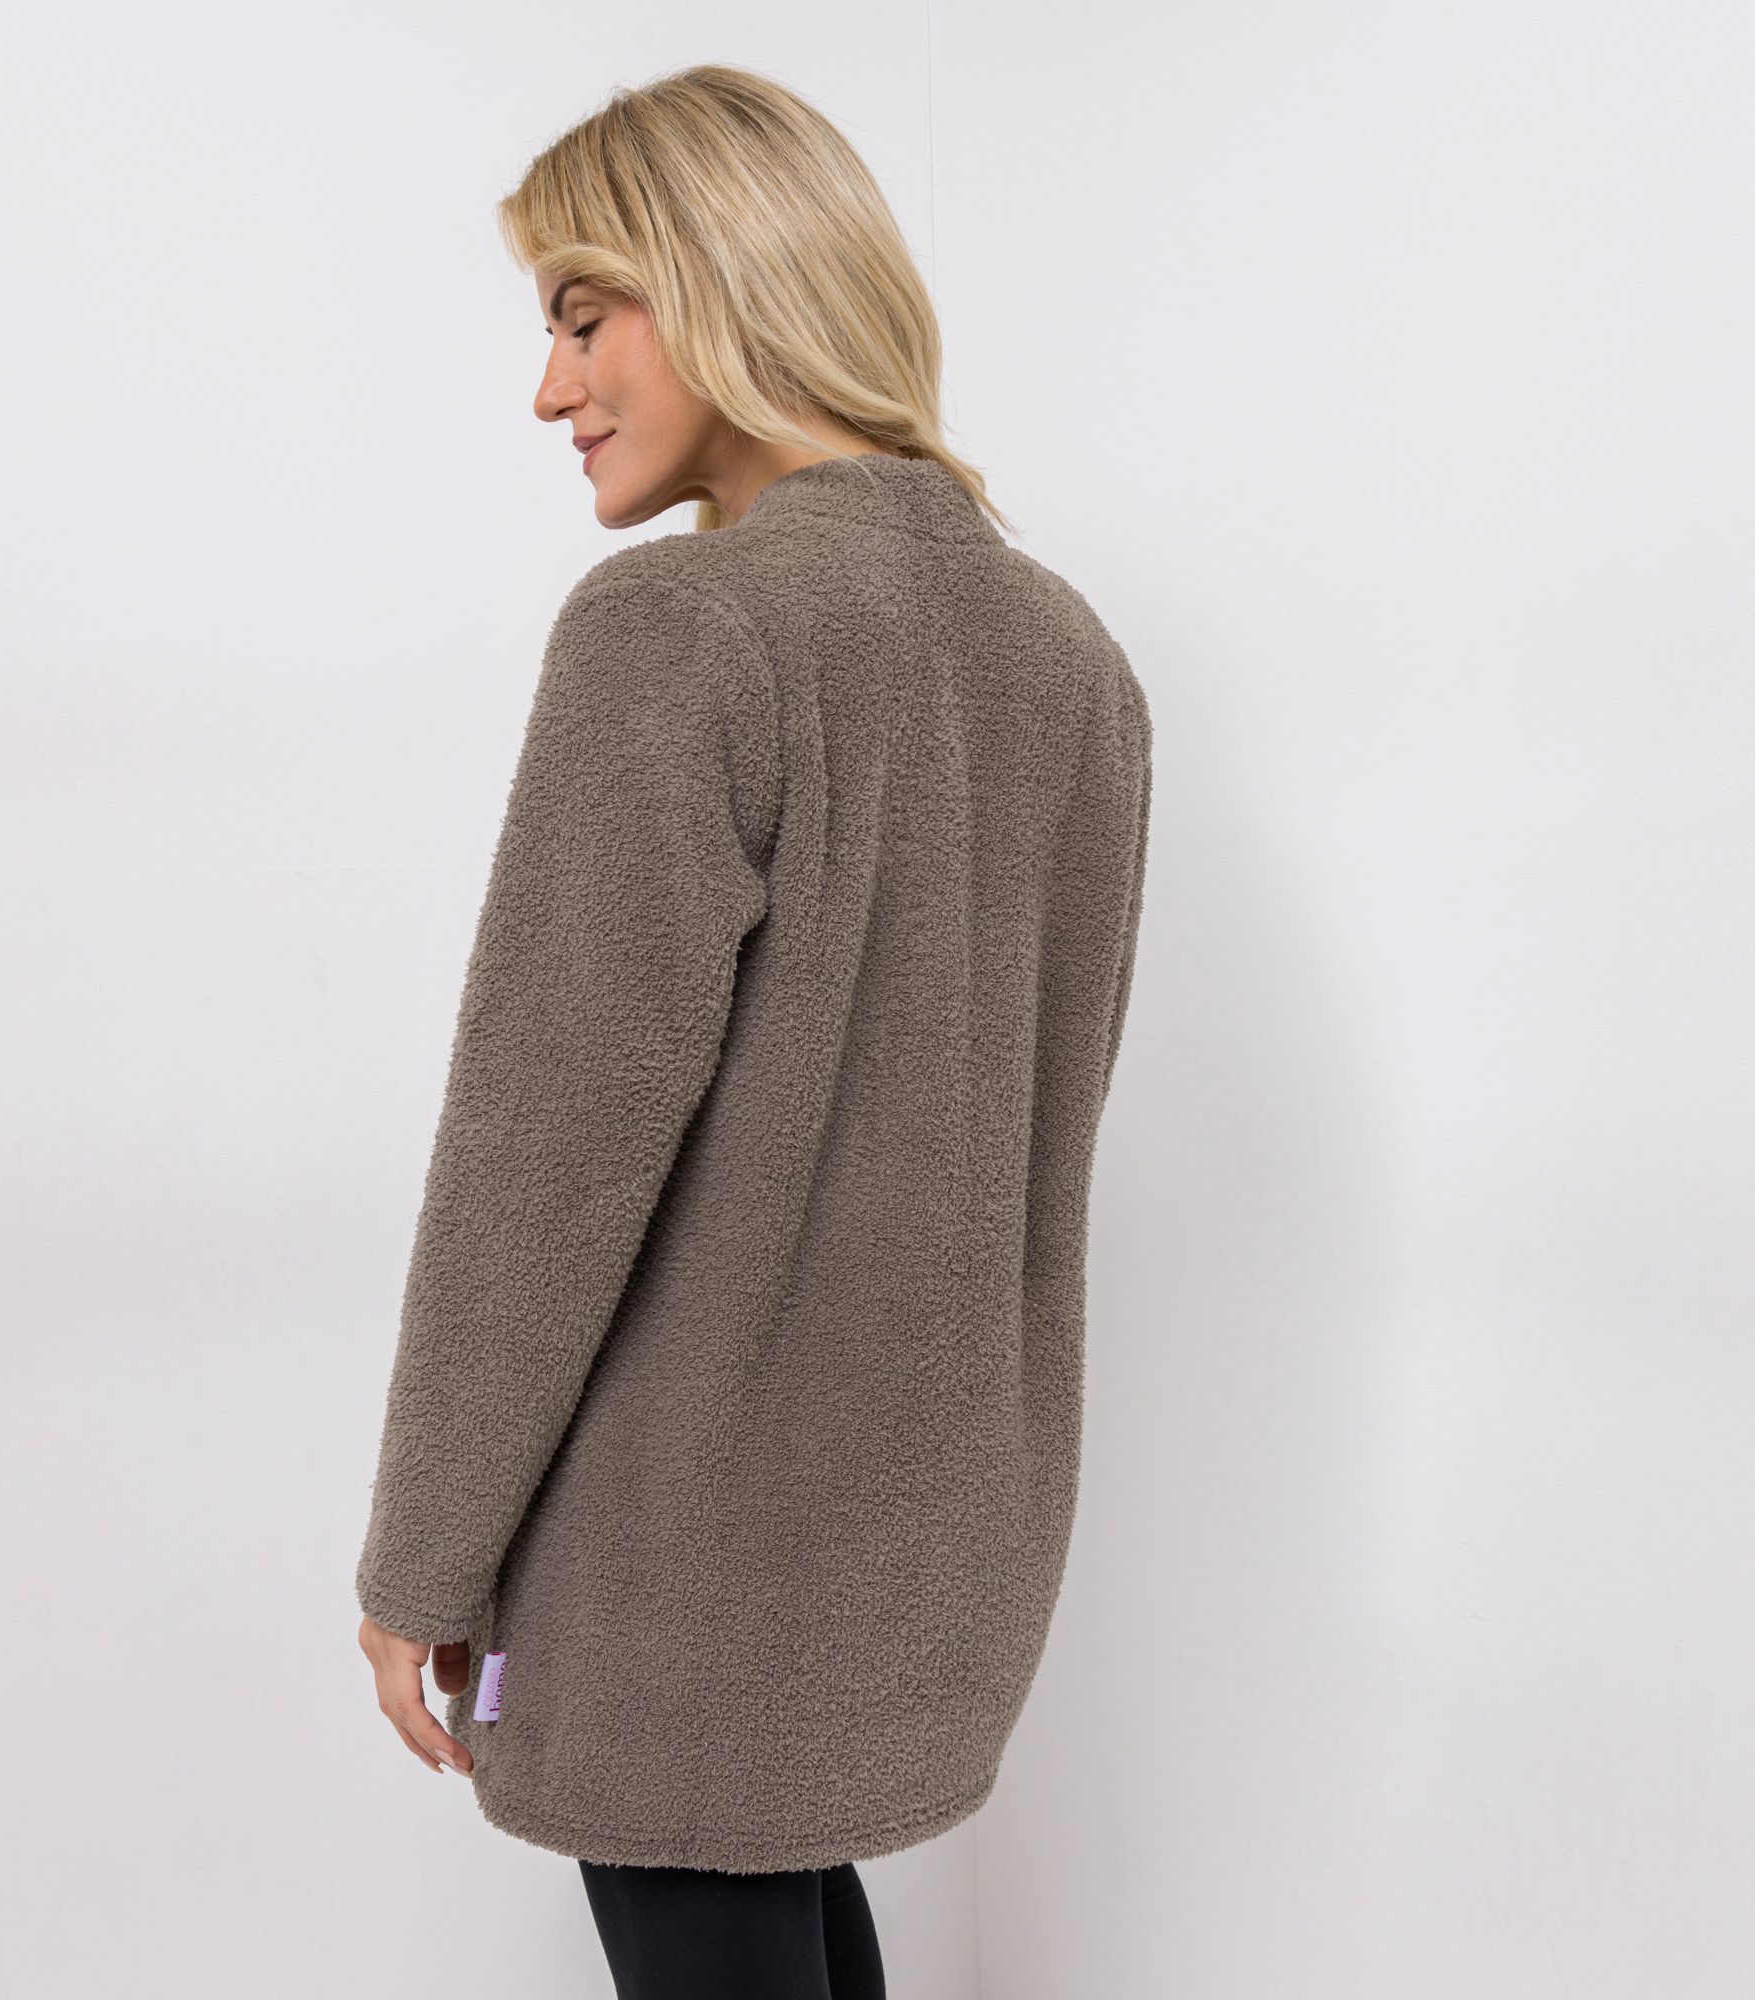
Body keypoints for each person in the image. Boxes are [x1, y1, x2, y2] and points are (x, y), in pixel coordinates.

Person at [354, 62, 1153, 2000]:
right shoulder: (1067, 659)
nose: (549, 389)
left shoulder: (681, 630)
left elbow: (544, 1152)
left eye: (582, 316)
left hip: (682, 1547)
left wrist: (424, 1555)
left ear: (722, 279)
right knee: (786, 1915)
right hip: (927, 1535)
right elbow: (1039, 1121)